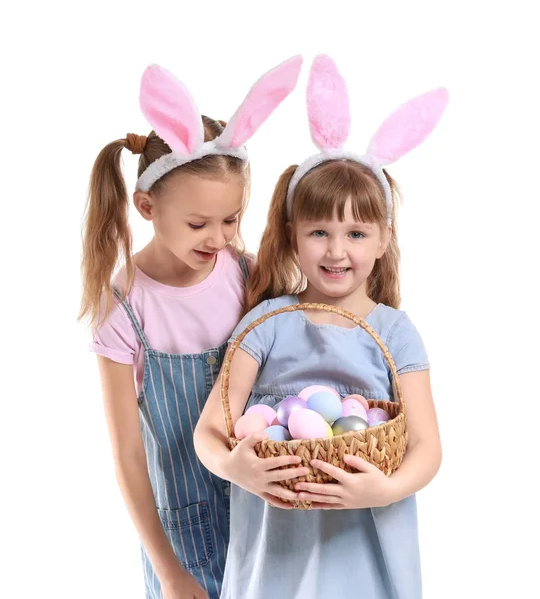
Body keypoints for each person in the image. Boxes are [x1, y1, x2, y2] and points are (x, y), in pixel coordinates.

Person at [194, 54, 448, 598]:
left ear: (383, 241)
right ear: (291, 236)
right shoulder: (267, 322)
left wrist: (384, 490)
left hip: (363, 533)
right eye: (319, 233)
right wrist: (238, 469)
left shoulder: (395, 332)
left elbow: (427, 445)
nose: (337, 251)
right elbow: (210, 431)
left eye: (357, 233)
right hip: (278, 542)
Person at [79, 56, 302, 599]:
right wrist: (170, 573)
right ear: (147, 206)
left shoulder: (245, 275)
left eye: (231, 219)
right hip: (184, 536)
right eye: (199, 223)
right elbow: (130, 458)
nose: (220, 238)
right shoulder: (125, 309)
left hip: (266, 514)